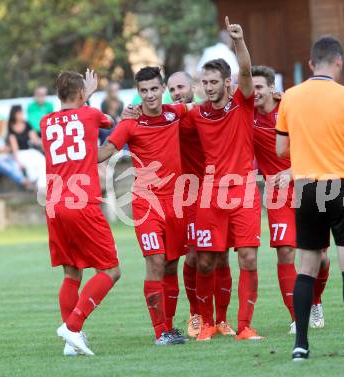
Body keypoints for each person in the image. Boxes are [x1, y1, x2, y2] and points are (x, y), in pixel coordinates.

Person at [276, 36, 344, 360]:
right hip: (343, 186)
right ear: (339, 62)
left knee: (306, 266)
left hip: (307, 188)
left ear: (310, 63)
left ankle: (301, 345)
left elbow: (280, 150)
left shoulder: (290, 98)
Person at [183, 17, 263, 341]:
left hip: (243, 190)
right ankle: (206, 323)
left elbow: (246, 70)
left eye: (214, 81)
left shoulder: (242, 105)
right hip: (210, 194)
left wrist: (239, 41)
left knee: (247, 257)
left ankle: (244, 327)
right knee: (206, 261)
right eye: (205, 82)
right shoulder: (195, 114)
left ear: (227, 83)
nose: (209, 87)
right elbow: (168, 128)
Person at [98, 66, 189, 346]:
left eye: (153, 89)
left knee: (172, 265)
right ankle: (160, 331)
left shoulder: (176, 113)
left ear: (162, 89)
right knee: (156, 262)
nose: (149, 95)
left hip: (175, 203)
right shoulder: (130, 122)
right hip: (146, 204)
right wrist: (77, 153)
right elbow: (105, 152)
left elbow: (206, 104)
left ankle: (170, 327)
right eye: (143, 90)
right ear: (137, 92)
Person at [40, 69, 121, 356]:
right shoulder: (89, 113)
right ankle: (73, 326)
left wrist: (84, 95)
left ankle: (71, 343)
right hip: (81, 202)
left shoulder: (45, 120)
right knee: (111, 270)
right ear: (82, 94)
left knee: (71, 272)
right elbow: (108, 122)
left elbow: (69, 121)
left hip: (53, 204)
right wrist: (91, 94)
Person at [251, 66, 330, 335]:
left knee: (320, 257)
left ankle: (316, 301)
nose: (255, 92)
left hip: (309, 184)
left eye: (260, 87)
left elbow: (316, 146)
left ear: (272, 88)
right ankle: (298, 318)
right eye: (251, 88)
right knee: (285, 252)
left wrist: (290, 170)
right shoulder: (245, 114)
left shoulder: (292, 108)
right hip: (277, 192)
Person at [167, 71, 234, 338]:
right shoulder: (171, 116)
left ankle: (222, 320)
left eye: (181, 87)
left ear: (193, 86)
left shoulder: (205, 112)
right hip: (189, 195)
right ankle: (196, 314)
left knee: (222, 255)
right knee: (195, 256)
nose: (176, 92)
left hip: (217, 189)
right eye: (171, 89)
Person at [0, 114, 31, 190]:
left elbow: (13, 147)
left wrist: (7, 149)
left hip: (6, 157)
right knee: (8, 167)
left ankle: (24, 182)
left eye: (1, 122)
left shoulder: (6, 133)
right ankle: (23, 182)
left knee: (15, 165)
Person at [8, 105, 46, 190]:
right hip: (20, 153)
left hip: (30, 151)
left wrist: (43, 143)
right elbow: (14, 147)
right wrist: (17, 161)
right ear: (14, 114)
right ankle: (35, 184)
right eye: (19, 113)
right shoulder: (10, 127)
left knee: (42, 161)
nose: (21, 115)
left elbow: (35, 139)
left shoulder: (26, 124)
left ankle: (41, 187)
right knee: (30, 166)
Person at [99, 81, 124, 145]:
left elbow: (120, 116)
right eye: (113, 90)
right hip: (107, 125)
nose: (115, 92)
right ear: (110, 91)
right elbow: (104, 117)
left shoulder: (120, 102)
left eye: (116, 90)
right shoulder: (105, 102)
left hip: (117, 123)